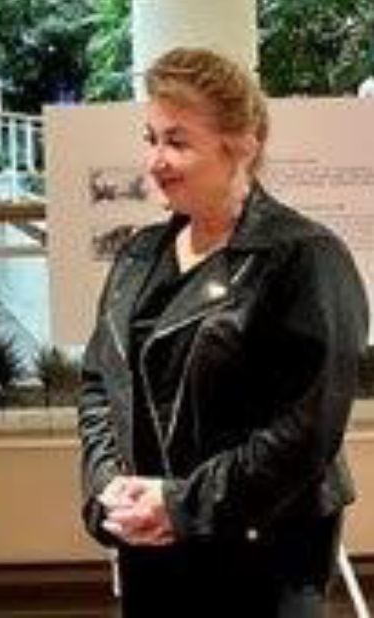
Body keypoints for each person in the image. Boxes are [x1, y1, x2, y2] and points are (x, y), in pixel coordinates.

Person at [78, 47, 368, 617]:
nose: (156, 160)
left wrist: (182, 504)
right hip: (151, 550)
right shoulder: (138, 255)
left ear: (243, 145)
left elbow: (307, 432)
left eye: (178, 142)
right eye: (151, 138)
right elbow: (98, 385)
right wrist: (109, 488)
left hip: (265, 556)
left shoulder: (303, 257)